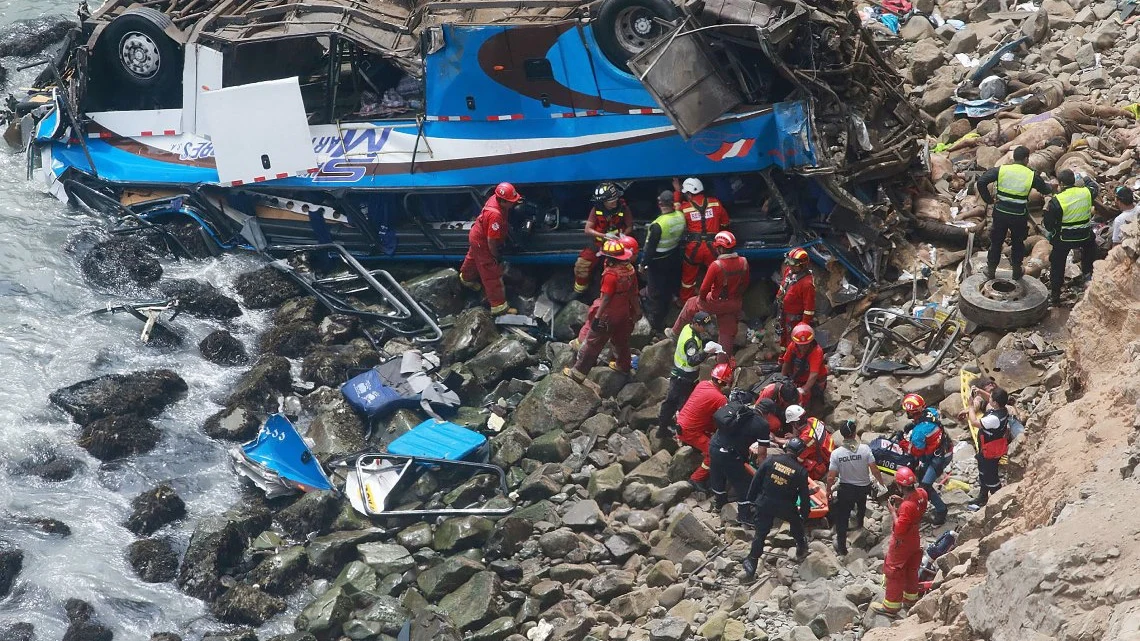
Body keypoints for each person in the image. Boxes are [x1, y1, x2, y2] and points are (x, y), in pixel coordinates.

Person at [565, 239, 641, 380]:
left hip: (608, 314)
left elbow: (606, 298)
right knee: (621, 342)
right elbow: (633, 293)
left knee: (593, 343)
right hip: (624, 311)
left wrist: (598, 318)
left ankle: (578, 373)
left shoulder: (611, 275)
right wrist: (637, 311)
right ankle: (623, 366)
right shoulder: (630, 270)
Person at [975, 146, 1054, 280]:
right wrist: (1051, 186)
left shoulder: (1002, 169)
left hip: (1000, 213)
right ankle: (1017, 270)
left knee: (996, 242)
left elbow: (981, 181)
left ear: (1014, 158)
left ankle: (991, 270)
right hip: (1018, 215)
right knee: (1018, 243)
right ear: (1026, 159)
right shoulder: (1031, 174)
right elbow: (1045, 190)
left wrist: (989, 199)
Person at [670, 230, 749, 361]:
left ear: (721, 248)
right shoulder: (744, 262)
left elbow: (703, 289)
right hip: (734, 303)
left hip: (716, 302)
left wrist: (702, 302)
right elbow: (745, 284)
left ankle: (675, 333)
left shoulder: (716, 265)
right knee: (727, 330)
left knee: (691, 303)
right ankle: (723, 362)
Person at [741, 436, 811, 578]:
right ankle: (801, 547)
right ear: (800, 452)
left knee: (760, 534)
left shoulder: (771, 460)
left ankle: (752, 562)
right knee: (796, 524)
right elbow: (804, 496)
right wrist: (805, 513)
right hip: (786, 506)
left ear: (787, 447)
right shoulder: (801, 471)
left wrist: (750, 499)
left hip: (765, 502)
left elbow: (756, 480)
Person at [870, 466, 928, 618]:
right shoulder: (922, 494)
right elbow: (916, 507)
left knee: (893, 571)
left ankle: (891, 606)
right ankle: (910, 598)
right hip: (915, 538)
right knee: (911, 568)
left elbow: (900, 529)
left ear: (899, 485)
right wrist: (902, 501)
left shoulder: (906, 507)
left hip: (902, 542)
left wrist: (893, 511)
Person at [459, 182, 522, 315]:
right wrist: (494, 256)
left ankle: (466, 278)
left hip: (476, 236)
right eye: (511, 202)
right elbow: (491, 240)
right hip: (483, 242)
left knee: (473, 258)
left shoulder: (494, 199)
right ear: (503, 201)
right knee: (491, 273)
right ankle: (499, 306)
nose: (513, 204)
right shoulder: (495, 216)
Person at [827, 420, 884, 556]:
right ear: (854, 433)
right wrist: (881, 483)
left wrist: (828, 490)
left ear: (842, 434)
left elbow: (831, 477)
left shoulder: (836, 454)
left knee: (842, 517)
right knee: (861, 505)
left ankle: (842, 547)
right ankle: (859, 525)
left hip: (846, 489)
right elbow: (875, 470)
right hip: (863, 487)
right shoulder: (865, 449)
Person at [708, 396, 775, 510]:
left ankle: (719, 504)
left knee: (718, 476)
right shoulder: (762, 424)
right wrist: (763, 474)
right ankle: (744, 516)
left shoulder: (740, 410)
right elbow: (762, 454)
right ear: (768, 414)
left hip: (714, 445)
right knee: (744, 485)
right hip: (729, 454)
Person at [1044, 169, 1098, 306]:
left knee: (1057, 263)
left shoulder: (1057, 201)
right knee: (1092, 246)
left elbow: (1049, 226)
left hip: (1064, 239)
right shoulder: (1086, 192)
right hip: (1084, 236)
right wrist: (1085, 177)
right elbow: (1094, 186)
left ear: (1061, 183)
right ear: (1074, 181)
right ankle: (1088, 275)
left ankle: (1055, 294)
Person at [675, 362, 734, 491]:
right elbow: (723, 420)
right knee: (714, 453)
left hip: (682, 422)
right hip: (690, 431)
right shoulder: (720, 399)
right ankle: (696, 479)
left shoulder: (703, 384)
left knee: (711, 431)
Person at [673, 177, 730, 302]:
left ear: (688, 193)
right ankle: (716, 299)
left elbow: (674, 218)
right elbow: (725, 223)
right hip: (713, 248)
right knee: (717, 275)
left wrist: (677, 193)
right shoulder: (715, 203)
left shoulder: (684, 208)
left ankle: (685, 303)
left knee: (688, 280)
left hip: (693, 249)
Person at [574, 182, 633, 295]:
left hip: (618, 245)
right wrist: (604, 236)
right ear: (603, 201)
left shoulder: (624, 208)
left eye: (615, 199)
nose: (614, 202)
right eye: (611, 201)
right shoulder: (596, 210)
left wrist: (622, 236)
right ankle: (579, 292)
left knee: (622, 268)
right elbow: (588, 229)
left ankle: (620, 292)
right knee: (582, 265)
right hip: (598, 244)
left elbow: (630, 226)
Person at [641, 190, 685, 330]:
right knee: (668, 286)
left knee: (655, 291)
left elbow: (650, 249)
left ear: (660, 204)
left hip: (657, 262)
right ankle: (669, 310)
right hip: (672, 256)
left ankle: (656, 322)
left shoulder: (657, 224)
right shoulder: (680, 216)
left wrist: (643, 264)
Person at [899, 408, 950, 526]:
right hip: (943, 450)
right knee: (922, 476)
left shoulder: (919, 432)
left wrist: (902, 442)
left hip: (938, 458)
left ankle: (941, 511)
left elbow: (917, 451)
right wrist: (914, 424)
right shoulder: (930, 412)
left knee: (925, 486)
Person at [967, 386, 1011, 510]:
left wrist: (970, 407)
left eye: (991, 397)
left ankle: (1000, 501)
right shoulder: (1002, 409)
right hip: (986, 447)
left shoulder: (994, 419)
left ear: (995, 403)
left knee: (991, 476)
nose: (989, 398)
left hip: (990, 450)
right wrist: (980, 391)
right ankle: (983, 496)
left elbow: (975, 422)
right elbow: (991, 399)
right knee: (983, 471)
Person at [779, 323, 828, 407]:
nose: (803, 348)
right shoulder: (793, 346)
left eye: (806, 345)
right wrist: (783, 379)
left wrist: (804, 389)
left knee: (808, 399)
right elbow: (786, 362)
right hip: (799, 377)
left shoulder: (816, 351)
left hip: (814, 381)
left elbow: (814, 374)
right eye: (801, 345)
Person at [780, 405, 832, 481]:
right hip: (829, 449)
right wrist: (796, 437)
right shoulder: (813, 420)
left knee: (793, 461)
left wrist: (776, 440)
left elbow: (798, 458)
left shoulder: (806, 439)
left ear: (795, 423)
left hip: (823, 461)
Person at [775, 247, 815, 347]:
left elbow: (809, 309)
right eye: (789, 263)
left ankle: (789, 361)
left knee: (792, 343)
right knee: (783, 340)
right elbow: (783, 287)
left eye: (794, 265)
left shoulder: (807, 284)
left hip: (794, 320)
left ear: (803, 265)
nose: (791, 267)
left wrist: (803, 327)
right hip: (783, 314)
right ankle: (782, 359)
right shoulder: (789, 271)